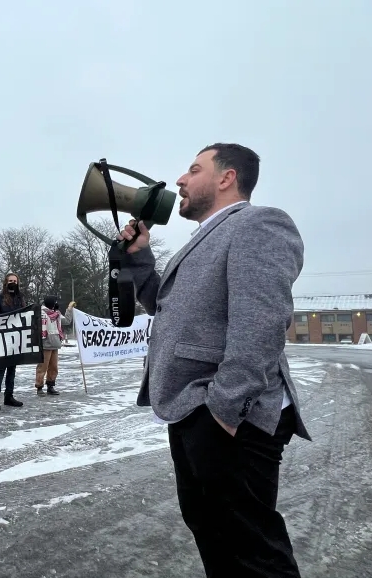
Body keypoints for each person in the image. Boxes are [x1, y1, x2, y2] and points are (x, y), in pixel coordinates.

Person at [117, 143, 307, 577]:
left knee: (253, 553)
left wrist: (224, 410)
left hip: (227, 418)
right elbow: (164, 305)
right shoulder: (206, 238)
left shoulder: (259, 224)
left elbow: (260, 324)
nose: (180, 180)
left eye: (194, 169)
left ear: (227, 178)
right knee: (216, 537)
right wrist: (140, 258)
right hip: (193, 410)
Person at [0, 272, 25, 410]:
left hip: (16, 339)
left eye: (15, 281)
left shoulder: (20, 299)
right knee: (0, 369)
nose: (12, 283)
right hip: (2, 339)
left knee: (12, 369)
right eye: (10, 281)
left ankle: (9, 396)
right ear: (5, 282)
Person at [35, 296, 74, 395]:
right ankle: (39, 387)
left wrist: (69, 309)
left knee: (53, 367)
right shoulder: (40, 313)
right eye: (55, 302)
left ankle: (50, 386)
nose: (57, 304)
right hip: (45, 344)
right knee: (42, 367)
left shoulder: (57, 314)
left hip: (55, 344)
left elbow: (67, 321)